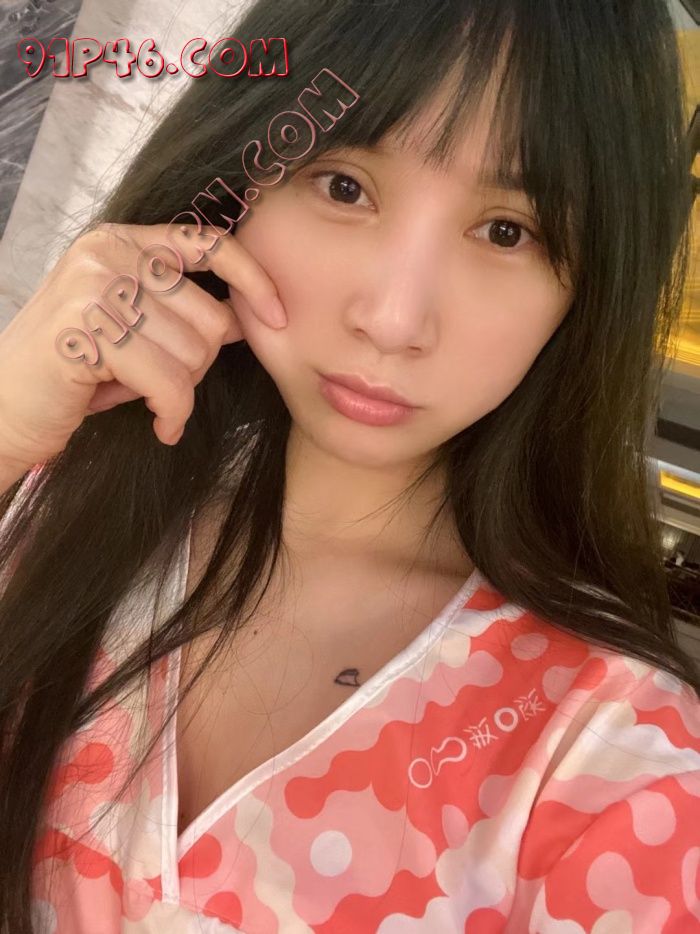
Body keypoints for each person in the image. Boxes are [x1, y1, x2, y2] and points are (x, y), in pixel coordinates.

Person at [0, 0, 698, 931]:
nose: (393, 320)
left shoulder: (611, 753)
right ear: (237, 185)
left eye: (507, 231)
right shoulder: (63, 505)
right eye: (342, 185)